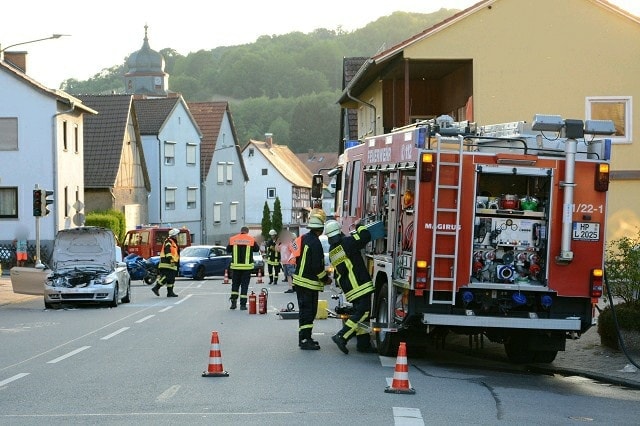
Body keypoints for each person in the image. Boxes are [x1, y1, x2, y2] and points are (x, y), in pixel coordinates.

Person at [325, 220, 377, 354]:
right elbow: (365, 237)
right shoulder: (346, 243)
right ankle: (342, 336)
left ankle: (363, 344)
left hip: (350, 287)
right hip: (358, 285)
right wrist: (360, 226)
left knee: (360, 313)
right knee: (363, 312)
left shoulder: (332, 251)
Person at [293, 209, 331, 350]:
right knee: (309, 312)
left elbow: (295, 254)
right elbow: (317, 266)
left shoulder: (303, 238)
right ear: (320, 230)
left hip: (300, 281)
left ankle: (304, 337)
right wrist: (326, 279)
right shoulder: (316, 243)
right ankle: (305, 340)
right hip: (308, 283)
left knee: (305, 311)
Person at [227, 226, 260, 310]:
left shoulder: (233, 239)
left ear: (241, 231)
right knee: (244, 286)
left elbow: (228, 250)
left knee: (235, 285)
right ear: (247, 232)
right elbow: (256, 249)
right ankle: (243, 305)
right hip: (247, 268)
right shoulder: (251, 239)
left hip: (236, 268)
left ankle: (233, 303)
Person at [151, 228, 181, 298]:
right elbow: (167, 251)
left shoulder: (173, 242)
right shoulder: (169, 241)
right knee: (167, 277)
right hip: (167, 263)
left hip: (172, 264)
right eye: (177, 235)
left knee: (171, 278)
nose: (177, 236)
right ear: (174, 235)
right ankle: (156, 287)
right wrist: (171, 259)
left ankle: (170, 292)